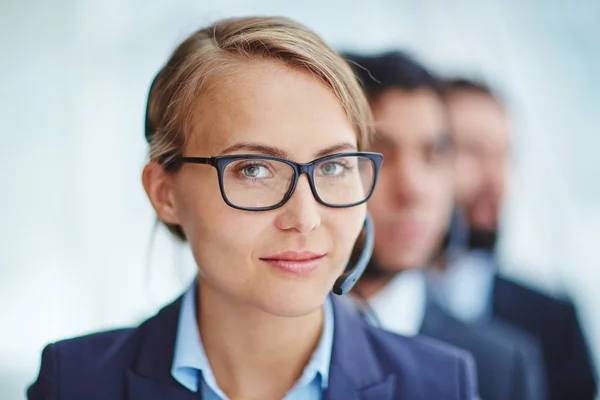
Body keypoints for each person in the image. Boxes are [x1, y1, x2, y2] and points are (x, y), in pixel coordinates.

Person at [27, 17, 479, 400]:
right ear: (165, 193)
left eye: (334, 165)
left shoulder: (440, 384)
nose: (305, 218)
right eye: (254, 170)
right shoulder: (77, 381)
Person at [343, 51, 546, 400]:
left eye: (433, 155)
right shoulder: (255, 337)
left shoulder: (498, 368)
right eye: (378, 155)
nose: (413, 189)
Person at [430, 77, 598, 400]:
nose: (495, 178)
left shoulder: (554, 322)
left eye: (504, 155)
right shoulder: (370, 304)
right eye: (473, 151)